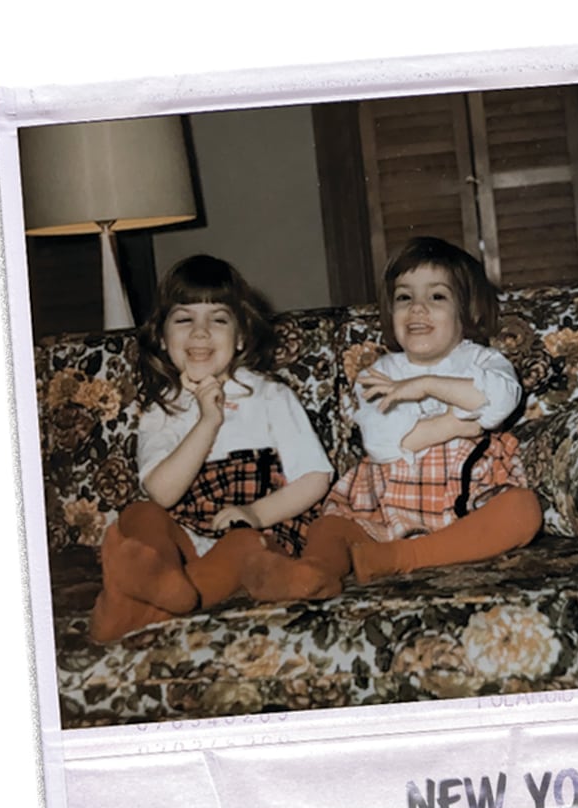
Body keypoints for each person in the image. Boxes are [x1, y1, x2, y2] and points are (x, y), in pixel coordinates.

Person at [241, 236, 542, 600]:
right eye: (404, 297)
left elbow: (498, 404)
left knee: (522, 510)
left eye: (436, 297)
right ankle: (312, 572)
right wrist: (457, 423)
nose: (417, 308)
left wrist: (426, 385)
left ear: (467, 310)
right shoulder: (379, 372)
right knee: (329, 528)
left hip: (469, 501)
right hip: (384, 504)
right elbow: (382, 444)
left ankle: (399, 557)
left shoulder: (483, 361)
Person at [89, 255, 334, 644]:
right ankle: (157, 578)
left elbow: (316, 476)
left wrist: (254, 513)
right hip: (185, 538)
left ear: (239, 337)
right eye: (184, 319)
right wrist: (207, 421)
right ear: (164, 337)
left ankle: (139, 607)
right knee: (140, 513)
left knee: (240, 548)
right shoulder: (161, 410)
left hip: (254, 531)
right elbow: (164, 493)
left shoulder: (269, 396)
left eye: (218, 319)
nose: (200, 333)